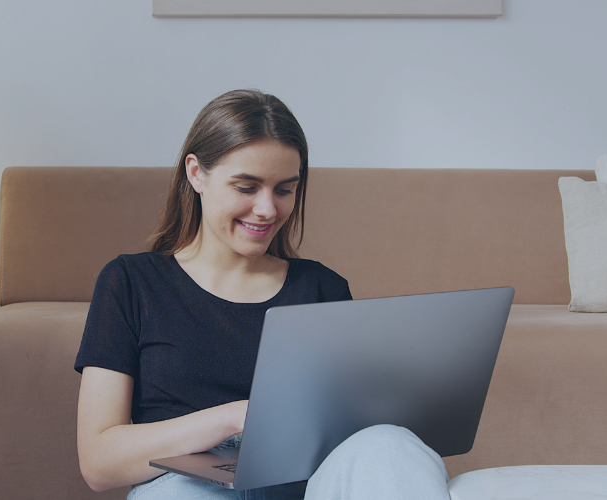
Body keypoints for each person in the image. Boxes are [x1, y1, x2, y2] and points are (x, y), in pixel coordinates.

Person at [74, 89, 451, 499]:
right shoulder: (131, 282)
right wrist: (236, 418)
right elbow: (98, 462)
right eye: (247, 187)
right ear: (196, 173)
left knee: (387, 444)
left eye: (284, 190)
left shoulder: (322, 288)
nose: (268, 210)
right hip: (188, 486)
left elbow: (343, 435)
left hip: (302, 486)